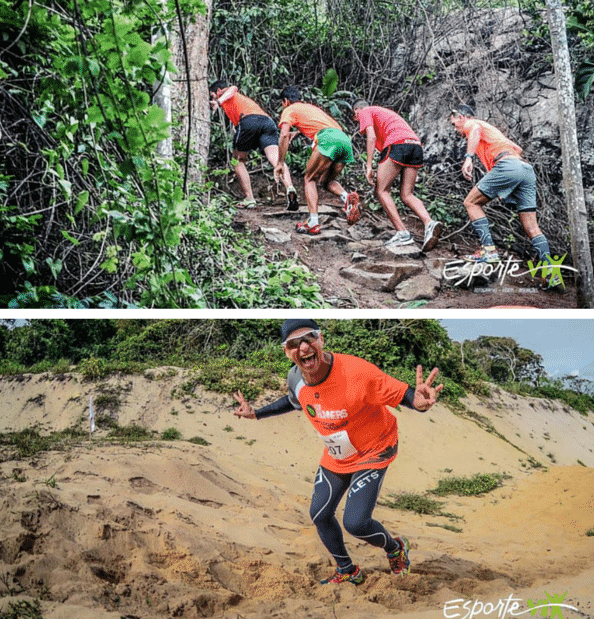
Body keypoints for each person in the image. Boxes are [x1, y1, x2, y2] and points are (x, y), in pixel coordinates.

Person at [232, 319, 444, 585]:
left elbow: (402, 394)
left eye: (309, 338)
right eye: (294, 344)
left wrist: (418, 401)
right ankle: (347, 570)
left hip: (374, 449)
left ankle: (395, 548)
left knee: (355, 523)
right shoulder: (296, 378)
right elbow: (293, 401)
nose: (304, 347)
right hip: (338, 455)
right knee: (320, 514)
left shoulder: (357, 372)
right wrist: (257, 414)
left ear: (321, 340)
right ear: (286, 351)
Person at [449, 104, 562, 290]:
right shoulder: (492, 132)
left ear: (462, 117)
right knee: (532, 227)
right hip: (525, 170)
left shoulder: (473, 124)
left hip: (508, 167)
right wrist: (507, 183)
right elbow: (517, 148)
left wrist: (468, 157)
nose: (456, 129)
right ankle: (551, 273)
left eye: (455, 124)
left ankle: (489, 250)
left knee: (470, 202)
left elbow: (474, 129)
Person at [352, 100, 443, 251]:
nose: (357, 119)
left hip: (398, 145)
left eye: (355, 115)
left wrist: (368, 166)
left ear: (357, 110)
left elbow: (372, 137)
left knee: (381, 191)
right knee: (407, 194)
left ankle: (402, 233)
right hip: (415, 145)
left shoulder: (365, 111)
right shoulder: (384, 113)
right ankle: (429, 223)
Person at [277, 86, 360, 235]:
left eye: (282, 104)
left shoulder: (290, 108)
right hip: (344, 140)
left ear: (286, 101)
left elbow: (283, 135)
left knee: (309, 179)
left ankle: (313, 222)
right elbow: (316, 124)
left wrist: (280, 163)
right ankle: (346, 197)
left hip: (328, 138)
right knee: (326, 182)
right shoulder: (309, 107)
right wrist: (298, 132)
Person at [209, 81, 299, 212]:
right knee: (276, 159)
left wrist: (218, 101)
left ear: (218, 91)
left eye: (212, 96)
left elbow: (233, 88)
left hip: (249, 120)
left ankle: (249, 198)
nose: (212, 100)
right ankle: (290, 187)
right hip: (267, 123)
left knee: (237, 161)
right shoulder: (233, 104)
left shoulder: (229, 92)